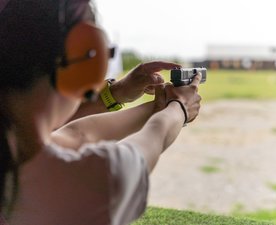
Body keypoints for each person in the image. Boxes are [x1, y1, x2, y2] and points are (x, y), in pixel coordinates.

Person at [0, 1, 202, 225]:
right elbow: (143, 150)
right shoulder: (81, 183)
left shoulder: (13, 150)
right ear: (91, 61)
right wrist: (179, 110)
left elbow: (77, 135)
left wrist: (156, 107)